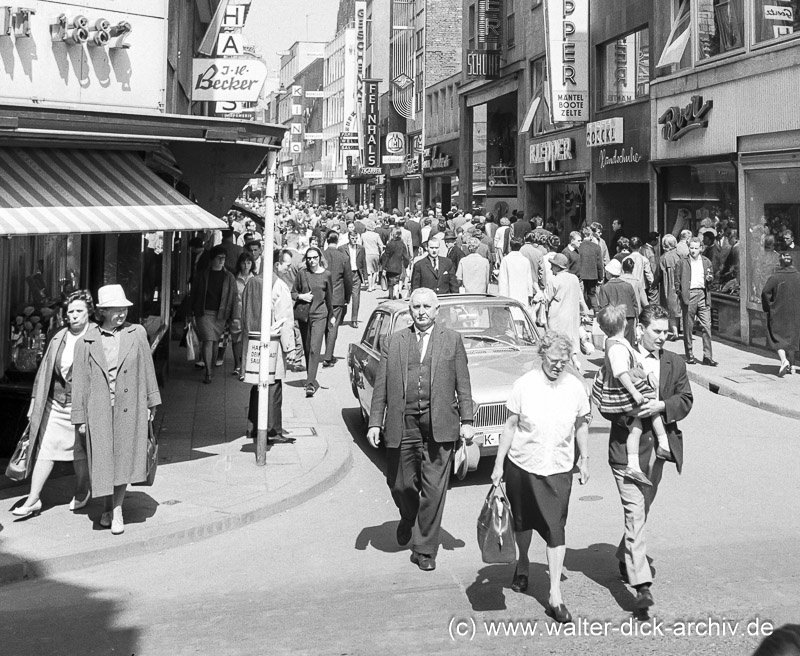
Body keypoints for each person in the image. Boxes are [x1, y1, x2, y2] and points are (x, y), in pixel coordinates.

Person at [367, 288, 474, 572]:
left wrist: (468, 421)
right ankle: (408, 515)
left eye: (427, 307)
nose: (422, 311)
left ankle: (424, 549)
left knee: (434, 490)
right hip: (404, 423)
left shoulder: (451, 340)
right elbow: (382, 385)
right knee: (400, 484)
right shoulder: (394, 341)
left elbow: (463, 383)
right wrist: (375, 421)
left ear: (437, 311)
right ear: (409, 310)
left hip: (440, 424)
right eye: (416, 307)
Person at [490, 330, 590, 624]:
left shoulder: (574, 387)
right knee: (523, 523)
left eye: (563, 360)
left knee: (555, 528)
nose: (559, 365)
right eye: (553, 359)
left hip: (558, 468)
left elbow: (582, 424)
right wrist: (498, 465)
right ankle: (523, 563)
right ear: (542, 355)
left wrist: (585, 459)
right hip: (522, 465)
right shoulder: (525, 385)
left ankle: (555, 594)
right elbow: (509, 426)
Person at [603, 304, 693, 614]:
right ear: (640, 330)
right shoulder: (620, 357)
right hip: (626, 451)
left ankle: (623, 554)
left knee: (644, 508)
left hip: (658, 451)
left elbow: (685, 399)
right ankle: (641, 585)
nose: (662, 337)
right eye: (657, 331)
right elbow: (602, 402)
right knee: (636, 513)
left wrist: (662, 406)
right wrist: (629, 411)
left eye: (666, 332)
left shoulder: (674, 362)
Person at [72, 285, 161, 535]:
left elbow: (147, 369)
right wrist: (79, 418)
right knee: (103, 462)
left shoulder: (137, 333)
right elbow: (80, 383)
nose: (122, 313)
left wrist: (151, 403)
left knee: (122, 458)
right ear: (102, 312)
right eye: (116, 309)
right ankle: (108, 507)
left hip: (129, 406)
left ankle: (117, 510)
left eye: (124, 308)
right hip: (98, 410)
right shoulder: (86, 342)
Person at [11, 290, 94, 518]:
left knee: (80, 452)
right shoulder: (58, 335)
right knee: (45, 450)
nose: (74, 316)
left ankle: (82, 490)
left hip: (82, 405)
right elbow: (45, 369)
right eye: (70, 312)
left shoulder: (96, 336)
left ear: (89, 313)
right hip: (55, 402)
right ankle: (33, 499)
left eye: (79, 311)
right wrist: (34, 402)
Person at [593, 305, 671, 488]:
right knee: (651, 406)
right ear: (625, 325)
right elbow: (621, 372)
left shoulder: (618, 343)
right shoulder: (616, 347)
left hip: (627, 384)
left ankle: (633, 464)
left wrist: (647, 373)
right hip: (622, 389)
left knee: (635, 426)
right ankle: (664, 443)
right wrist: (635, 392)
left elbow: (634, 362)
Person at [242, 249, 297, 445]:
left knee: (257, 384)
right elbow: (284, 320)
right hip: (271, 342)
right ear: (276, 264)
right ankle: (272, 430)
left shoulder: (252, 282)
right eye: (286, 265)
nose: (289, 268)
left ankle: (253, 426)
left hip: (253, 342)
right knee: (273, 386)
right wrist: (290, 348)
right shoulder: (279, 285)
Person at [189, 245, 239, 384]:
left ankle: (210, 366)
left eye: (224, 258)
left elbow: (235, 296)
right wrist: (190, 312)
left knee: (215, 341)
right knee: (208, 339)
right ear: (212, 259)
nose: (222, 260)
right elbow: (193, 294)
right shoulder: (202, 274)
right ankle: (209, 373)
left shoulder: (229, 276)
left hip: (220, 314)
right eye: (219, 258)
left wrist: (235, 316)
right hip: (203, 312)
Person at [292, 246, 332, 397]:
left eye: (315, 257)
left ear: (320, 258)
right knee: (308, 349)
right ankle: (311, 375)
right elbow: (293, 292)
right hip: (305, 315)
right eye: (309, 258)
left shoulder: (326, 275)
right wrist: (302, 297)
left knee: (315, 348)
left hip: (320, 315)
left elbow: (330, 297)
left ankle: (310, 383)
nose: (312, 261)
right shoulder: (302, 274)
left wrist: (332, 316)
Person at [676, 237, 717, 366]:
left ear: (701, 248)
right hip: (690, 294)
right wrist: (681, 294)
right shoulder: (682, 262)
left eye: (696, 248)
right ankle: (690, 354)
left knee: (707, 326)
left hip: (703, 294)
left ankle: (707, 356)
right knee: (688, 327)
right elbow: (677, 282)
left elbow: (711, 276)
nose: (693, 250)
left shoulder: (706, 262)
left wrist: (710, 279)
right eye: (691, 248)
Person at [546, 253, 588, 371]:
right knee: (572, 340)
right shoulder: (574, 278)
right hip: (573, 316)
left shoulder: (554, 280)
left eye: (553, 265)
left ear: (558, 267)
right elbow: (580, 298)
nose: (551, 268)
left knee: (557, 341)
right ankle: (575, 361)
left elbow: (547, 298)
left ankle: (560, 365)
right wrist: (584, 312)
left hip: (557, 316)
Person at [761, 252, 800, 377]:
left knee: (777, 337)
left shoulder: (775, 277)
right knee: (792, 338)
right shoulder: (798, 276)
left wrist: (768, 307)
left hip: (779, 312)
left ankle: (784, 360)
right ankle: (793, 365)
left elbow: (765, 293)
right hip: (795, 313)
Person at [322, 232, 353, 368]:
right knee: (333, 327)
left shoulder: (320, 255)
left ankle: (321, 354)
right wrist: (347, 296)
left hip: (322, 296)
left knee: (320, 326)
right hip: (337, 296)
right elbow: (348, 279)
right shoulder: (343, 257)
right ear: (338, 240)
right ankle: (328, 356)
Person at [597, 259, 638, 346]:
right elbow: (635, 305)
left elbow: (603, 307)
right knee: (629, 343)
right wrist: (637, 320)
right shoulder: (628, 286)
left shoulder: (605, 288)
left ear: (608, 273)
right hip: (629, 317)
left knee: (615, 342)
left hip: (614, 318)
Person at [230, 252, 255, 377]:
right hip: (236, 312)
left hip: (251, 314)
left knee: (248, 340)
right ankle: (237, 365)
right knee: (236, 340)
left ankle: (245, 366)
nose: (246, 265)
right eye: (243, 262)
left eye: (249, 262)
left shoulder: (255, 279)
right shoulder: (234, 278)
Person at [339, 231, 366, 328]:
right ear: (349, 238)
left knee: (356, 297)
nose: (354, 240)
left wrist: (365, 277)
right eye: (352, 238)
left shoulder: (361, 249)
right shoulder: (342, 248)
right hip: (346, 274)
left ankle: (354, 319)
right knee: (344, 297)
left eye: (356, 238)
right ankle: (341, 316)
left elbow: (363, 262)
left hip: (356, 274)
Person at [659, 234, 682, 341]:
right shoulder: (680, 255)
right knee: (681, 308)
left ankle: (675, 331)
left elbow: (658, 275)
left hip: (668, 286)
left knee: (671, 310)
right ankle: (684, 330)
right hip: (681, 285)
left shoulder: (663, 258)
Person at [498, 237, 534, 307]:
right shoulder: (525, 260)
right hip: (523, 293)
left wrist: (501, 296)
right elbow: (529, 278)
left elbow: (502, 279)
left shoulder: (506, 260)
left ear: (510, 246)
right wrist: (530, 293)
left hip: (509, 293)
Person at [578, 226, 603, 311]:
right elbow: (599, 263)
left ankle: (584, 312)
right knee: (592, 293)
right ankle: (596, 310)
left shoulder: (579, 247)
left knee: (581, 294)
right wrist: (601, 276)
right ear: (591, 235)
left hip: (581, 274)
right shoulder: (596, 247)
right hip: (593, 274)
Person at [381, 228, 410, 300]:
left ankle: (391, 296)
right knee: (396, 281)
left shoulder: (390, 243)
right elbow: (405, 256)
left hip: (389, 265)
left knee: (390, 282)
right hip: (398, 265)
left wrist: (384, 267)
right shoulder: (402, 244)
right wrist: (406, 265)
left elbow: (386, 256)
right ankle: (395, 294)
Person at [361, 223, 384, 291]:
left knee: (369, 270)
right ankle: (373, 285)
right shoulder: (376, 235)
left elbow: (360, 244)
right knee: (375, 270)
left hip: (367, 253)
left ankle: (369, 286)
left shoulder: (363, 235)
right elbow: (381, 245)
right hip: (375, 253)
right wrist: (381, 252)